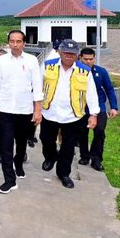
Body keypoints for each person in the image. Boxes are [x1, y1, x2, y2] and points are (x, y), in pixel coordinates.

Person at [0, 30, 43, 194]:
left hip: (24, 110)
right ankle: (9, 180)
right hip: (5, 110)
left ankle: (18, 163)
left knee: (21, 143)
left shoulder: (32, 61)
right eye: (12, 41)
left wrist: (38, 110)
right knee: (5, 145)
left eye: (19, 41)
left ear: (24, 43)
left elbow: (37, 86)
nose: (15, 44)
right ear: (8, 43)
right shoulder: (2, 61)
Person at [40, 39, 99, 189]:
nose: (69, 56)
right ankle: (51, 156)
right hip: (49, 112)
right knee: (46, 139)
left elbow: (91, 93)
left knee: (68, 147)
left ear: (77, 55)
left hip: (72, 115)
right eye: (66, 52)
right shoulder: (48, 65)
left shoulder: (84, 71)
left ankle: (63, 173)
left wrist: (93, 114)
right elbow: (37, 85)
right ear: (60, 52)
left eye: (72, 53)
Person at [77, 47, 119, 171]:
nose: (89, 62)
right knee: (82, 133)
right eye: (86, 59)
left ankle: (96, 159)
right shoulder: (76, 72)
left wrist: (114, 107)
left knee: (100, 131)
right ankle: (84, 156)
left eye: (91, 59)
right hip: (81, 107)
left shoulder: (101, 72)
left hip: (99, 107)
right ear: (80, 58)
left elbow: (109, 89)